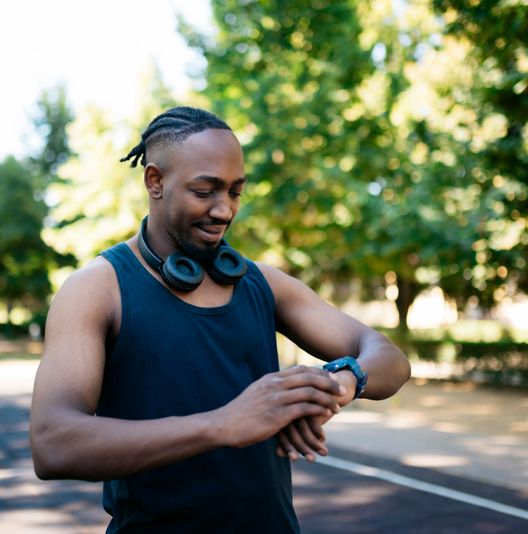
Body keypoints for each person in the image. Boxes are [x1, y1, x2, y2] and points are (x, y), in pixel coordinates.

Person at [30, 106, 410, 533]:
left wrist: (336, 384)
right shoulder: (95, 290)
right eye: (205, 190)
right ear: (155, 181)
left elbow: (390, 359)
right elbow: (52, 444)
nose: (224, 210)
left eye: (234, 192)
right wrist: (222, 425)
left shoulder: (262, 282)